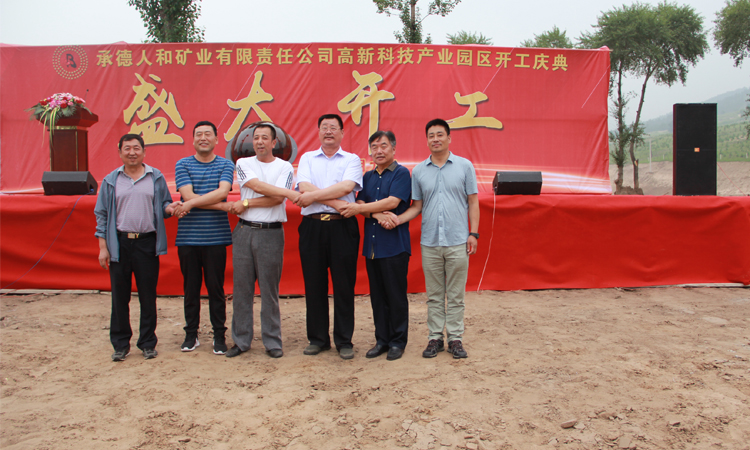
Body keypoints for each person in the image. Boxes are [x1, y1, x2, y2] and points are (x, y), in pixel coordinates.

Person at [387, 118, 479, 359]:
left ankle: (455, 338)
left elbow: (473, 202)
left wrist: (473, 233)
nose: (436, 139)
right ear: (427, 140)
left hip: (458, 240)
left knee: (456, 295)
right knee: (435, 295)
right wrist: (397, 219)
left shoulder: (465, 166)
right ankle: (435, 338)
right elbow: (417, 206)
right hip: (430, 243)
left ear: (449, 138)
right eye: (431, 135)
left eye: (440, 134)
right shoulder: (418, 171)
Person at [94, 133, 180, 362]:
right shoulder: (111, 180)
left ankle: (148, 343)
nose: (132, 152)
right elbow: (102, 214)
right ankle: (121, 344)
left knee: (147, 296)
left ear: (143, 151)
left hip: (146, 243)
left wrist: (171, 209)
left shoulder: (155, 177)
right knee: (119, 297)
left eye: (136, 148)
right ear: (120, 152)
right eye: (127, 148)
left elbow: (164, 205)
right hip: (119, 243)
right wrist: (103, 247)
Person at [226, 123, 299, 359]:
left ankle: (272, 341)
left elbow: (277, 200)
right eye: (256, 137)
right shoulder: (243, 163)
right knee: (242, 290)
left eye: (265, 138)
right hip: (244, 231)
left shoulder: (284, 167)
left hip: (271, 233)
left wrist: (247, 202)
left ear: (274, 142)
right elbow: (254, 185)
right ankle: (241, 340)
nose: (259, 142)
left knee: (269, 290)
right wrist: (288, 193)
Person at [295, 114, 363, 360]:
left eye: (333, 127)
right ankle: (318, 339)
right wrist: (334, 202)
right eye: (324, 127)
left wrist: (314, 196)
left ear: (342, 133)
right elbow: (303, 187)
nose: (328, 131)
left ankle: (344, 340)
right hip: (312, 226)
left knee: (344, 285)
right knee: (314, 284)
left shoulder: (352, 159)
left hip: (342, 226)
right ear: (318, 132)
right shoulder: (307, 158)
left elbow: (347, 187)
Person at [339, 130, 411, 361]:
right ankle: (382, 340)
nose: (379, 151)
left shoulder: (401, 173)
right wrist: (376, 215)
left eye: (383, 146)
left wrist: (363, 209)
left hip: (394, 245)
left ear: (393, 148)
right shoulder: (368, 176)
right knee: (377, 297)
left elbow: (393, 202)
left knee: (395, 296)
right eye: (374, 147)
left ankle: (398, 341)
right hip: (372, 247)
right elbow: (360, 201)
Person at [173, 121, 235, 355]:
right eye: (198, 134)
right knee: (190, 289)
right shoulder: (182, 164)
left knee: (216, 289)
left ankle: (219, 335)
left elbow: (222, 191)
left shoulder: (226, 164)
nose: (203, 138)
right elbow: (187, 193)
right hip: (188, 237)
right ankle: (191, 334)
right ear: (193, 140)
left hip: (216, 237)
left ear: (216, 139)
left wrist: (190, 204)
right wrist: (220, 206)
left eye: (208, 134)